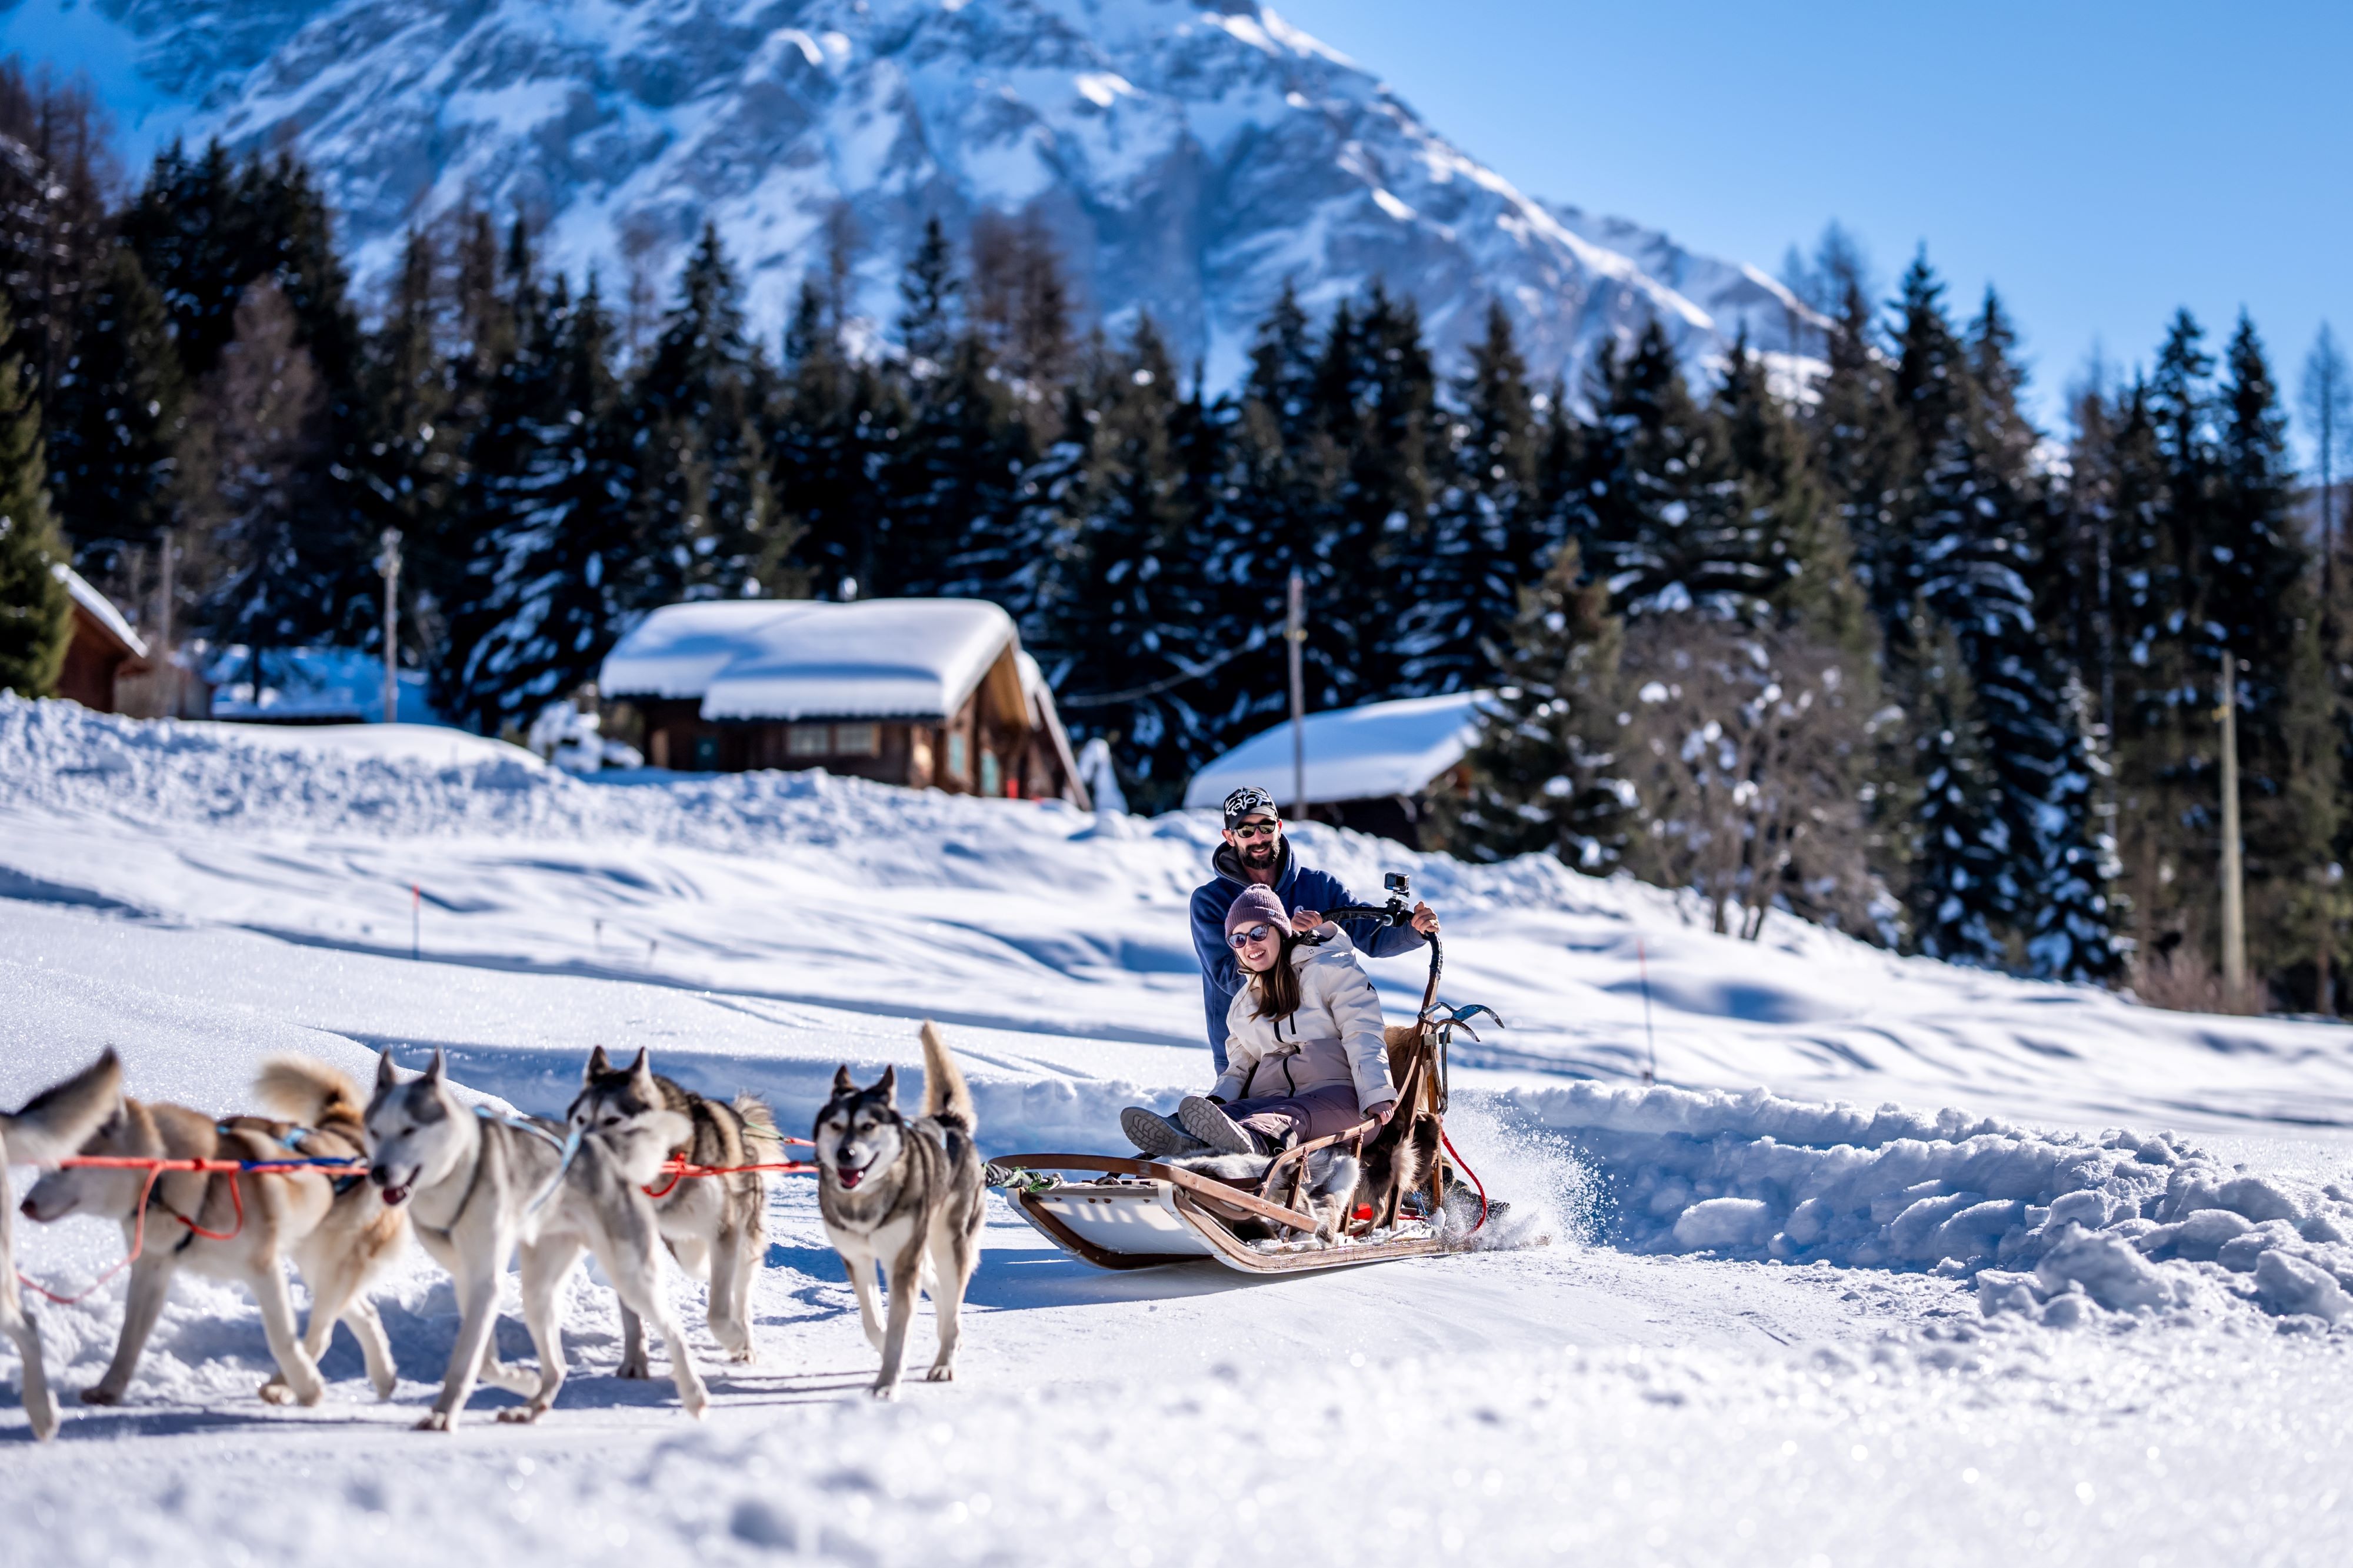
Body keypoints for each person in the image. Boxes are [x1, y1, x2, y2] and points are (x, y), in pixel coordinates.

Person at [1123, 887, 1398, 1158]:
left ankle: (1251, 1140)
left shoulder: (1328, 969)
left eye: (1258, 933)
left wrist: (1376, 1093)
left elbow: (1362, 1033)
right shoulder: (1243, 1004)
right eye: (1238, 939)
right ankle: (1184, 1134)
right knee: (1236, 1113)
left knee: (1287, 1116)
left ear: (1280, 930)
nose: (1250, 945)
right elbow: (1239, 1069)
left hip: (1339, 1101)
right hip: (1272, 1099)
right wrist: (1217, 1104)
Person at [1189, 786, 1437, 1072]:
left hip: (1322, 1046)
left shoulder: (1319, 887)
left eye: (1266, 826)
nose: (1258, 837)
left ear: (1279, 828)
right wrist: (1287, 936)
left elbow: (1372, 934)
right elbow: (1231, 978)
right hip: (1249, 1052)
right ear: (1229, 837)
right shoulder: (1211, 902)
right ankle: (1183, 1118)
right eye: (1245, 830)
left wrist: (1414, 930)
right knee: (1250, 1116)